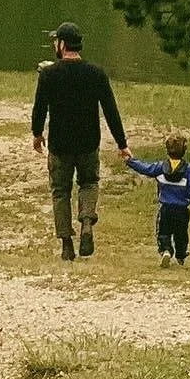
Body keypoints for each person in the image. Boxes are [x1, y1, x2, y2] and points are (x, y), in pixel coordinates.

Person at [31, 22, 128, 262]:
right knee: (89, 183)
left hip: (60, 145)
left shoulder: (49, 75)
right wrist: (122, 143)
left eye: (56, 41)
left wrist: (37, 133)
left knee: (60, 191)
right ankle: (86, 222)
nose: (55, 45)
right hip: (88, 144)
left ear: (63, 44)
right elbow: (111, 110)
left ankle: (66, 243)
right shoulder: (96, 73)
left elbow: (39, 108)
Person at [122, 132, 190, 267]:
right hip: (182, 210)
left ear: (167, 150)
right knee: (181, 234)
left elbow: (146, 168)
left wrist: (130, 161)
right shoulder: (188, 169)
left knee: (163, 232)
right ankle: (181, 254)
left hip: (166, 208)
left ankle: (166, 250)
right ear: (184, 150)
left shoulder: (161, 167)